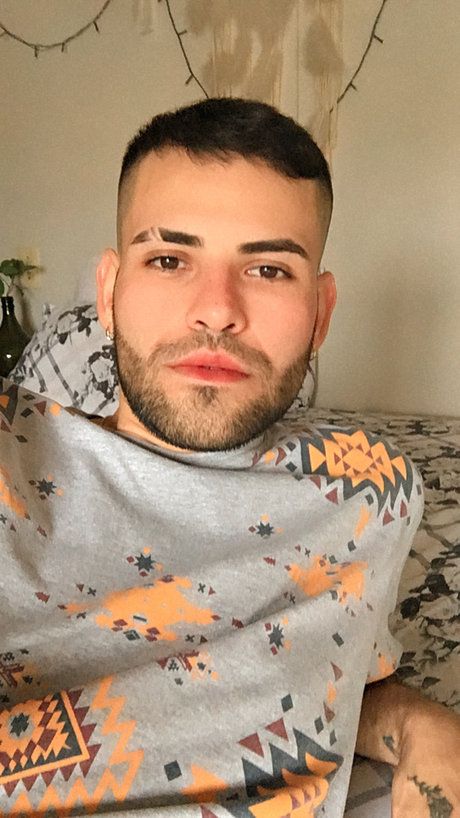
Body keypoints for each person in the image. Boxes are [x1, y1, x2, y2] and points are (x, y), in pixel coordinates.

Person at [0, 98, 458, 817]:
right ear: (110, 294)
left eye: (269, 269)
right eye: (169, 259)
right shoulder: (12, 454)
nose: (217, 310)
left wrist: (420, 723)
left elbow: (320, 671)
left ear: (321, 312)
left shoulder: (369, 493)